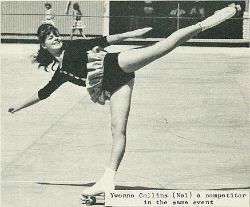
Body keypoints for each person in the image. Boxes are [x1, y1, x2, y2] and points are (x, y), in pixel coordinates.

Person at [8, 4, 240, 199]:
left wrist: (133, 34)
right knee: (117, 130)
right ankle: (108, 179)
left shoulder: (73, 47)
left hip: (118, 64)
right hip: (117, 84)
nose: (55, 38)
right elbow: (43, 93)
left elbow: (107, 39)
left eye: (55, 34)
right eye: (50, 37)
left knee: (162, 47)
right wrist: (17, 107)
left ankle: (204, 24)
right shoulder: (60, 74)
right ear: (44, 46)